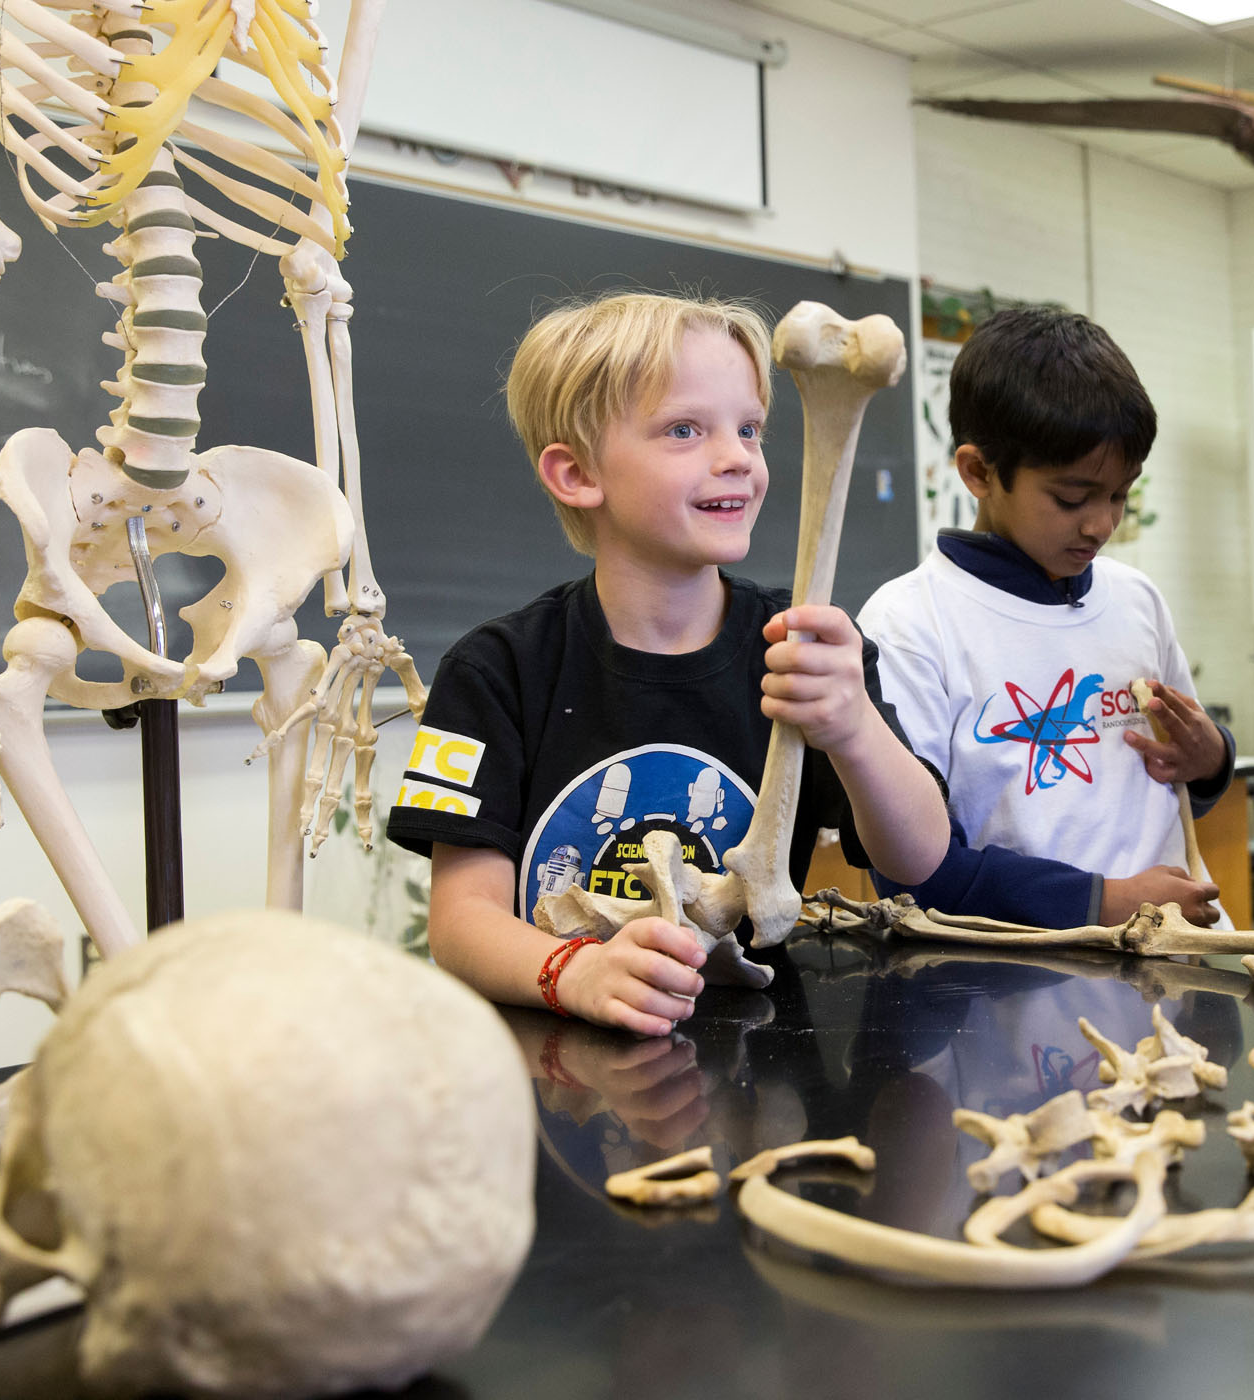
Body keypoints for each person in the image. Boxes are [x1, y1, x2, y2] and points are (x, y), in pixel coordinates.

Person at [387, 292, 951, 1036]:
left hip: (762, 1076)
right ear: (577, 474)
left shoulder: (806, 651)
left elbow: (917, 858)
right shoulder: (497, 670)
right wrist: (576, 971)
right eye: (685, 430)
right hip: (561, 1071)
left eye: (750, 429)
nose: (738, 459)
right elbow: (461, 924)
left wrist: (851, 728)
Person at [858, 308, 1234, 930]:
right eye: (1071, 498)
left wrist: (1212, 758)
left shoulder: (1136, 599)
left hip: (1172, 974)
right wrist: (1105, 901)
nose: (1101, 524)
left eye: (1120, 494)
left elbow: (1183, 785)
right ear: (979, 472)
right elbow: (916, 876)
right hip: (1008, 987)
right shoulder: (908, 624)